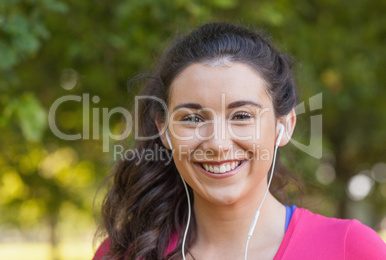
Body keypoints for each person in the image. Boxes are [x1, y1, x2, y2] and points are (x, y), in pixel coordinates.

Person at [93, 22, 386, 259]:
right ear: (165, 131)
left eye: (242, 116)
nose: (218, 144)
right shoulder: (123, 254)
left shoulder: (351, 248)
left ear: (284, 126)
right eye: (192, 118)